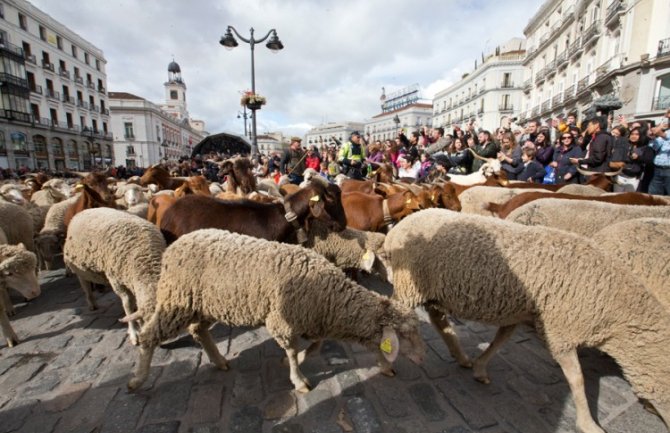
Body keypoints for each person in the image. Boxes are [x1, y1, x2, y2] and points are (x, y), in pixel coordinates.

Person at [609, 127, 655, 192]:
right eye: (632, 134)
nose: (634, 136)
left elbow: (649, 160)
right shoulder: (624, 145)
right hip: (620, 176)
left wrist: (638, 158)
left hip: (633, 178)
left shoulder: (645, 148)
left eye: (636, 134)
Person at [648, 109, 670, 195]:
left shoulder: (666, 133)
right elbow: (655, 147)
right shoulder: (667, 131)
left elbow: (666, 136)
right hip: (658, 169)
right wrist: (652, 137)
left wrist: (660, 132)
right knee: (653, 196)